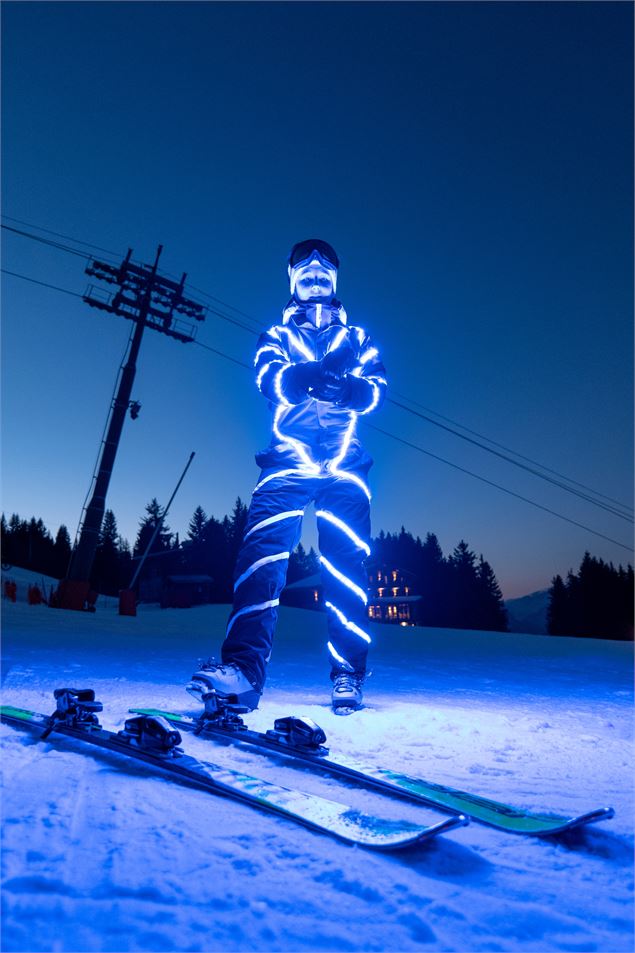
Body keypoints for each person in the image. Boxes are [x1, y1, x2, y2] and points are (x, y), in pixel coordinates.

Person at [188, 239, 387, 713]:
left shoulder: (357, 339)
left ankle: (348, 675)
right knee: (260, 563)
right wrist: (300, 379)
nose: (315, 278)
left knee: (346, 572)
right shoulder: (276, 335)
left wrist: (353, 388)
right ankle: (242, 671)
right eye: (306, 273)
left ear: (334, 281)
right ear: (293, 281)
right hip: (286, 463)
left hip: (345, 466)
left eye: (324, 273)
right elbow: (265, 376)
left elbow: (377, 388)